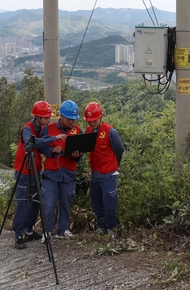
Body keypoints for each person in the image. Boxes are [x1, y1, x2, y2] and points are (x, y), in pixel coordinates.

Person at [12, 100, 57, 250]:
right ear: (37, 117)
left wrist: (53, 151)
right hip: (24, 172)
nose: (48, 120)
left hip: (36, 171)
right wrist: (53, 138)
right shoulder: (27, 129)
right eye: (46, 117)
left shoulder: (42, 129)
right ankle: (18, 234)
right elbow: (32, 142)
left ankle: (29, 231)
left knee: (35, 203)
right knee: (23, 203)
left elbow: (43, 147)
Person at [38, 99, 83, 242]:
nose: (71, 121)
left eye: (73, 119)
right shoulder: (49, 129)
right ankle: (46, 232)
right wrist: (52, 150)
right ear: (61, 116)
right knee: (49, 204)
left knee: (65, 203)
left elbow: (81, 150)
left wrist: (77, 155)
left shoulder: (77, 131)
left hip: (68, 174)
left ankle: (62, 230)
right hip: (51, 174)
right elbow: (41, 147)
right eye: (69, 119)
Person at [83, 102, 124, 238]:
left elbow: (119, 150)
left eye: (94, 120)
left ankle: (111, 228)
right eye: (89, 120)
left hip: (108, 174)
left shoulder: (110, 132)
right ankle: (101, 227)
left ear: (101, 117)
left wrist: (115, 165)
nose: (91, 122)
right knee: (97, 202)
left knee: (110, 203)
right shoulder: (88, 131)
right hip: (95, 174)